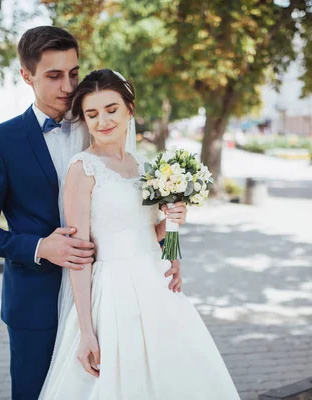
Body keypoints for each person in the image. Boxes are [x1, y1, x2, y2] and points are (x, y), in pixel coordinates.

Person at [0, 27, 187, 400]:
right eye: (53, 76)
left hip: (113, 299)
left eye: (73, 73)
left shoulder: (98, 123)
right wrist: (39, 247)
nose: (67, 86)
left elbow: (134, 221)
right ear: (26, 76)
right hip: (38, 302)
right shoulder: (0, 141)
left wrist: (172, 240)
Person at [38, 69, 240, 399]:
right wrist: (86, 331)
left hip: (157, 283)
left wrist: (174, 232)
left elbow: (156, 230)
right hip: (113, 293)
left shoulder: (147, 167)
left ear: (129, 109)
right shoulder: (82, 169)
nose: (102, 120)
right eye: (92, 113)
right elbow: (79, 255)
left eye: (111, 109)